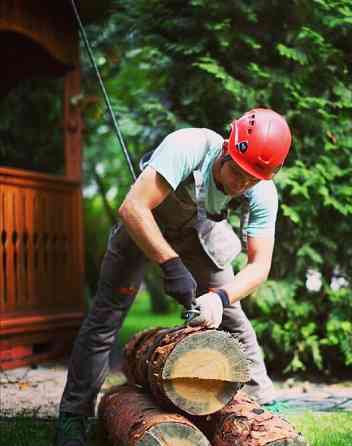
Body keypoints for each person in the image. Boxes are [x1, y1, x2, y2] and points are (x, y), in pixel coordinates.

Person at [54, 108, 292, 446]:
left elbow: (259, 266)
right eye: (238, 173)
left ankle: (264, 409)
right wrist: (170, 264)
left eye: (252, 179)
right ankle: (73, 415)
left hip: (199, 230)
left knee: (233, 318)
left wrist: (219, 298)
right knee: (106, 315)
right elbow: (133, 207)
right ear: (227, 146)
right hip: (144, 224)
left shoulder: (261, 190)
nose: (242, 185)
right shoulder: (187, 145)